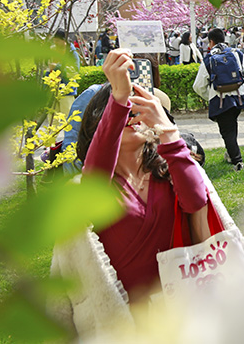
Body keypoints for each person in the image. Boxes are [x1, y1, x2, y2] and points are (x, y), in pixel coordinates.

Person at [76, 49, 209, 302]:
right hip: (124, 316)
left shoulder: (169, 167)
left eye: (136, 107)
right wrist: (119, 98)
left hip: (183, 306)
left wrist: (168, 131)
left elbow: (195, 201)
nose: (130, 113)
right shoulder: (98, 179)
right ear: (100, 123)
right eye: (123, 109)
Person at [193, 28, 244, 171]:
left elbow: (198, 86)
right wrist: (242, 89)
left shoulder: (209, 58)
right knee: (231, 127)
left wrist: (209, 95)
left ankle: (237, 161)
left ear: (211, 42)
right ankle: (230, 153)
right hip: (238, 98)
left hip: (220, 99)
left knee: (227, 131)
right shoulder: (236, 53)